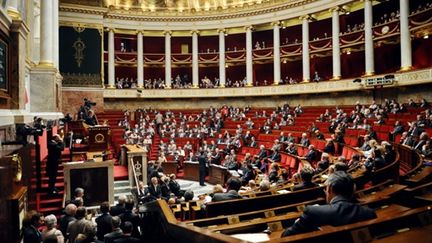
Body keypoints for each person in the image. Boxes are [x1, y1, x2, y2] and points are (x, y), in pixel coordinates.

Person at [281, 171, 376, 237]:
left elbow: (286, 236)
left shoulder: (313, 211)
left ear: (329, 189)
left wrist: (297, 222)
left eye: (325, 189)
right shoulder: (369, 213)